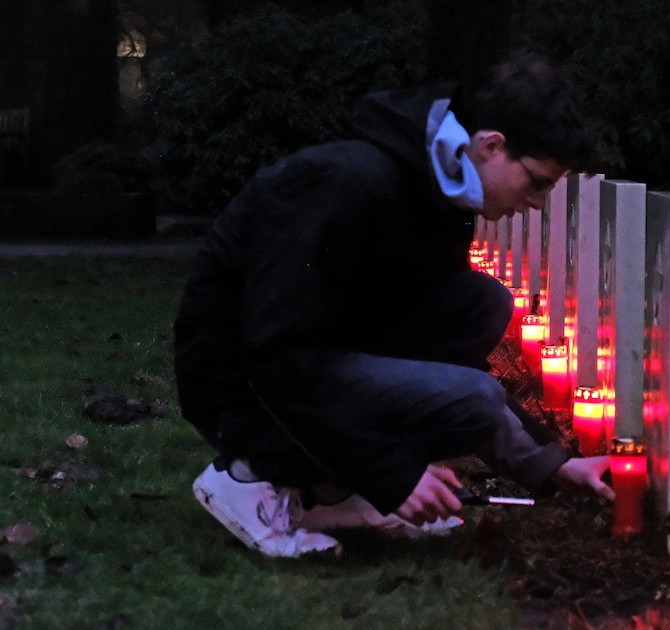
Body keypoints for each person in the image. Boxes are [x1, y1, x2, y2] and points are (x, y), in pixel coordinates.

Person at [173, 51, 616, 557]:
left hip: (311, 360)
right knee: (472, 396)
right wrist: (390, 474)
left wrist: (550, 463)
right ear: (491, 145)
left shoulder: (439, 197)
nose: (536, 202)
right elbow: (273, 351)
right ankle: (249, 474)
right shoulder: (344, 180)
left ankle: (326, 491)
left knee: (480, 305)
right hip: (241, 386)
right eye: (537, 182)